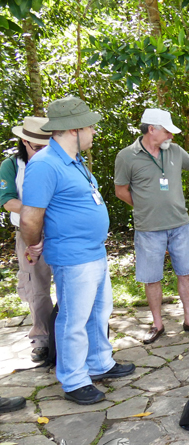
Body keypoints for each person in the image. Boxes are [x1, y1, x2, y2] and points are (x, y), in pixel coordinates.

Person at [21, 96, 134, 405]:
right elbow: (31, 217)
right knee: (74, 318)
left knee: (99, 313)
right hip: (72, 257)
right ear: (73, 129)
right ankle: (73, 379)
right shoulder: (44, 165)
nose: (94, 131)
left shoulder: (75, 160)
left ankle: (100, 362)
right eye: (90, 126)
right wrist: (33, 243)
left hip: (94, 253)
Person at [114, 109, 189, 344]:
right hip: (148, 228)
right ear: (152, 129)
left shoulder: (175, 151)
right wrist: (144, 209)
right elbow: (121, 191)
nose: (171, 135)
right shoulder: (127, 156)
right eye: (167, 130)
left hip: (180, 224)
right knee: (152, 277)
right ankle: (157, 324)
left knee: (186, 272)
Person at [0, 117, 54, 362]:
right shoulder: (11, 165)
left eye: (47, 144)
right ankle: (42, 339)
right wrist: (35, 212)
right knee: (36, 287)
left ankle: (66, 336)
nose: (43, 150)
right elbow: (7, 200)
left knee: (71, 283)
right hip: (28, 232)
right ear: (25, 140)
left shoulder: (59, 160)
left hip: (59, 231)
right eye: (38, 146)